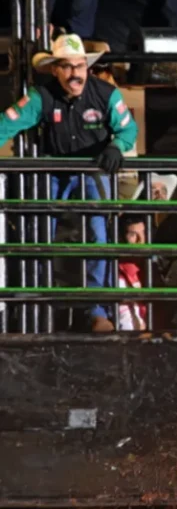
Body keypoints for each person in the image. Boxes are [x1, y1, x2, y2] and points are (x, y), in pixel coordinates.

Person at [0, 33, 138, 332]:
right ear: (54, 70)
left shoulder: (106, 94)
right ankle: (32, 306)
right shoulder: (41, 96)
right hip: (54, 172)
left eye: (79, 66)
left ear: (86, 67)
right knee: (35, 235)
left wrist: (115, 147)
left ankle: (97, 309)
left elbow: (129, 131)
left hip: (92, 171)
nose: (74, 73)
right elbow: (6, 124)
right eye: (66, 66)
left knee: (98, 238)